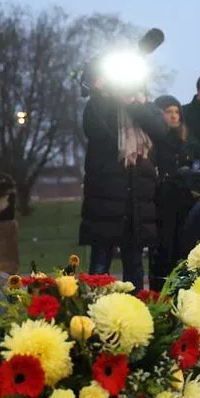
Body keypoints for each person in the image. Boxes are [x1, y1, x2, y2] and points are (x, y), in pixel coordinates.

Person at [78, 74, 167, 290]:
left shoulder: (147, 107)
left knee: (134, 265)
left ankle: (134, 313)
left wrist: (133, 103)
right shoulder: (99, 106)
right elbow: (95, 128)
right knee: (100, 265)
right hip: (105, 202)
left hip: (136, 203)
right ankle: (94, 312)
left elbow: (161, 130)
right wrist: (102, 95)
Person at [151, 94, 200, 289]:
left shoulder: (186, 140)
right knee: (162, 256)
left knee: (184, 254)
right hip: (161, 206)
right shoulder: (153, 141)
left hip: (185, 205)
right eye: (168, 112)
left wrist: (192, 168)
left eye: (176, 112)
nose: (174, 116)